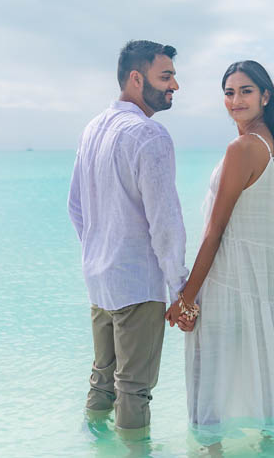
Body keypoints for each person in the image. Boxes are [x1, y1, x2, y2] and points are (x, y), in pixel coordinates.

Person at [166, 60, 274, 445]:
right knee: (266, 381)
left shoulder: (244, 146)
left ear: (265, 96)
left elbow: (216, 231)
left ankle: (209, 453)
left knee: (208, 383)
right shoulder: (270, 140)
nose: (235, 99)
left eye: (246, 90)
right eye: (229, 92)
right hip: (258, 283)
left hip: (229, 282)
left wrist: (187, 297)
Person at [68, 39, 189, 435]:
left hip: (99, 281)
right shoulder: (149, 135)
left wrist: (98, 251)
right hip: (136, 284)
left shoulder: (92, 128)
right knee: (134, 391)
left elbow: (75, 207)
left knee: (102, 381)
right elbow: (165, 222)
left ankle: (94, 444)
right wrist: (181, 289)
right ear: (137, 79)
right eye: (166, 76)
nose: (175, 85)